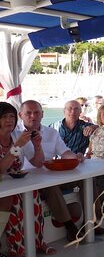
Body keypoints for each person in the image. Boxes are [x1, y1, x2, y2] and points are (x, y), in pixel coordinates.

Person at [15, 100, 86, 242]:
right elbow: (36, 163)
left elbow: (64, 152)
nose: (33, 116)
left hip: (53, 174)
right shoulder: (16, 134)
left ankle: (93, 220)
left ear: (42, 114)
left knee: (86, 179)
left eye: (36, 112)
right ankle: (69, 225)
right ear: (20, 115)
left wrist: (76, 157)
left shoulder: (52, 133)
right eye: (28, 113)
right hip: (31, 180)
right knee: (50, 186)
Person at [1, 102, 55, 257]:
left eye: (11, 116)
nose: (9, 120)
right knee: (15, 202)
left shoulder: (18, 135)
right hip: (4, 185)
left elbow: (38, 163)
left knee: (33, 195)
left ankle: (38, 243)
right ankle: (16, 250)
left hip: (16, 182)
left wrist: (37, 146)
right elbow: (1, 169)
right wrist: (17, 146)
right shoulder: (18, 140)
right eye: (4, 117)